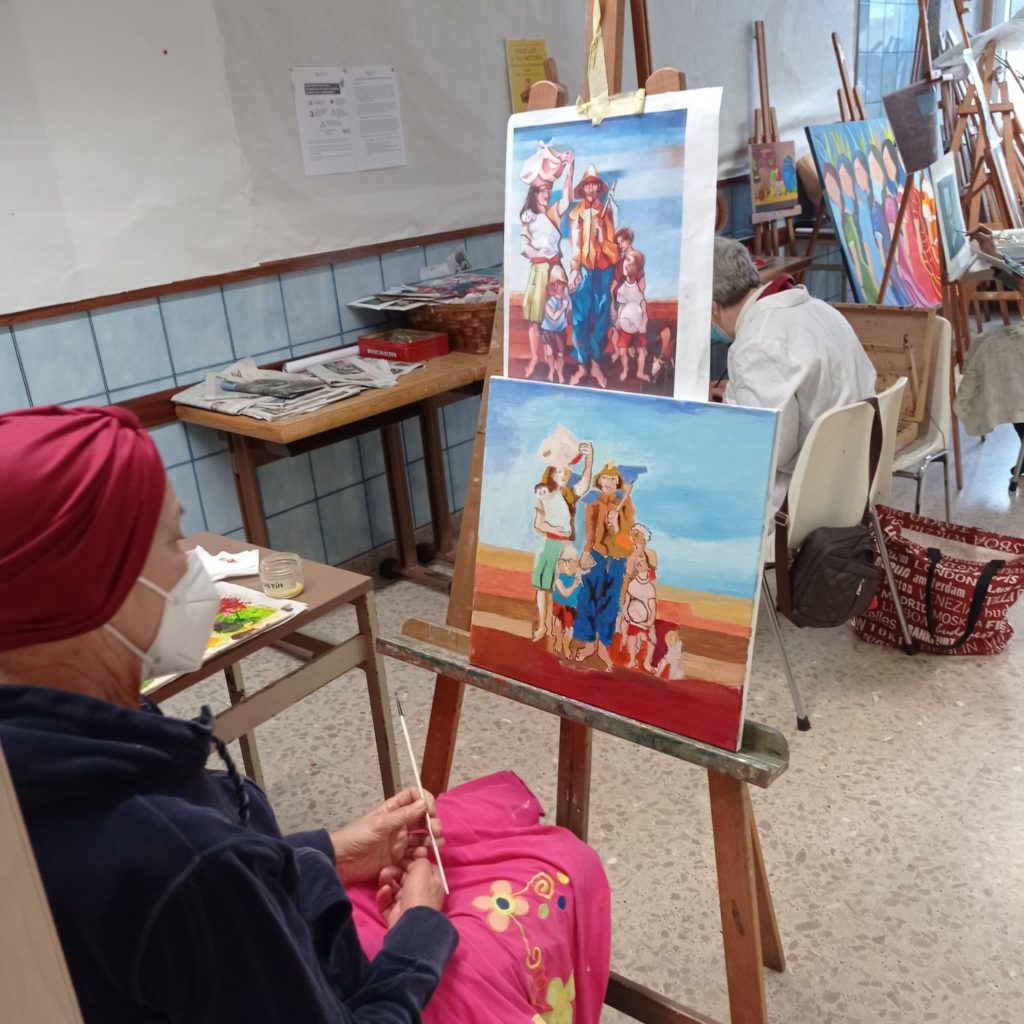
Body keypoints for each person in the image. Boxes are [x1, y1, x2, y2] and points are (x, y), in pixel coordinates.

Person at [0, 405, 611, 1023]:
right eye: (173, 542)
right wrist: (419, 932)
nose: (194, 564)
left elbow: (211, 908)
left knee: (497, 836)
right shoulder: (183, 860)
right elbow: (209, 891)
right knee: (562, 869)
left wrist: (331, 850)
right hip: (361, 985)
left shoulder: (45, 758)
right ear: (95, 588)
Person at [711, 236, 877, 508]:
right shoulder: (819, 308)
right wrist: (738, 391)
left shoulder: (758, 342)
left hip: (804, 498)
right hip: (854, 473)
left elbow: (771, 452)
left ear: (712, 307)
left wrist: (725, 414)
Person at [520, 152, 574, 380]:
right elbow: (524, 245)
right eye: (542, 190)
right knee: (536, 316)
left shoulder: (553, 213)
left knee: (558, 316)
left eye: (548, 190)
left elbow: (567, 198)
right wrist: (537, 254)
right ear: (534, 193)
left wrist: (569, 168)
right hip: (539, 269)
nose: (547, 193)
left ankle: (557, 362)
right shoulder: (529, 216)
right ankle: (535, 357)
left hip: (555, 269)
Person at [567, 163, 619, 388]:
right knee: (579, 318)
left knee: (601, 317)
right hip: (584, 270)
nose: (590, 189)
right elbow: (575, 246)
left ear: (598, 188)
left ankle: (596, 364)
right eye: (587, 185)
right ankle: (582, 365)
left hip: (603, 271)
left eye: (594, 185)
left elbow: (614, 251)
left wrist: (602, 237)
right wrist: (574, 270)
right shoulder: (575, 214)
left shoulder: (606, 214)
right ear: (583, 188)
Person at [540, 264, 571, 384]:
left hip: (560, 330)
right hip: (548, 330)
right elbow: (553, 317)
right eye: (554, 284)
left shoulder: (565, 298)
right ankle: (551, 371)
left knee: (560, 355)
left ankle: (560, 373)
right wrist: (563, 307)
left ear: (563, 284)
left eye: (559, 283)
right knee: (549, 353)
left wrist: (565, 305)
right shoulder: (549, 301)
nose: (556, 286)